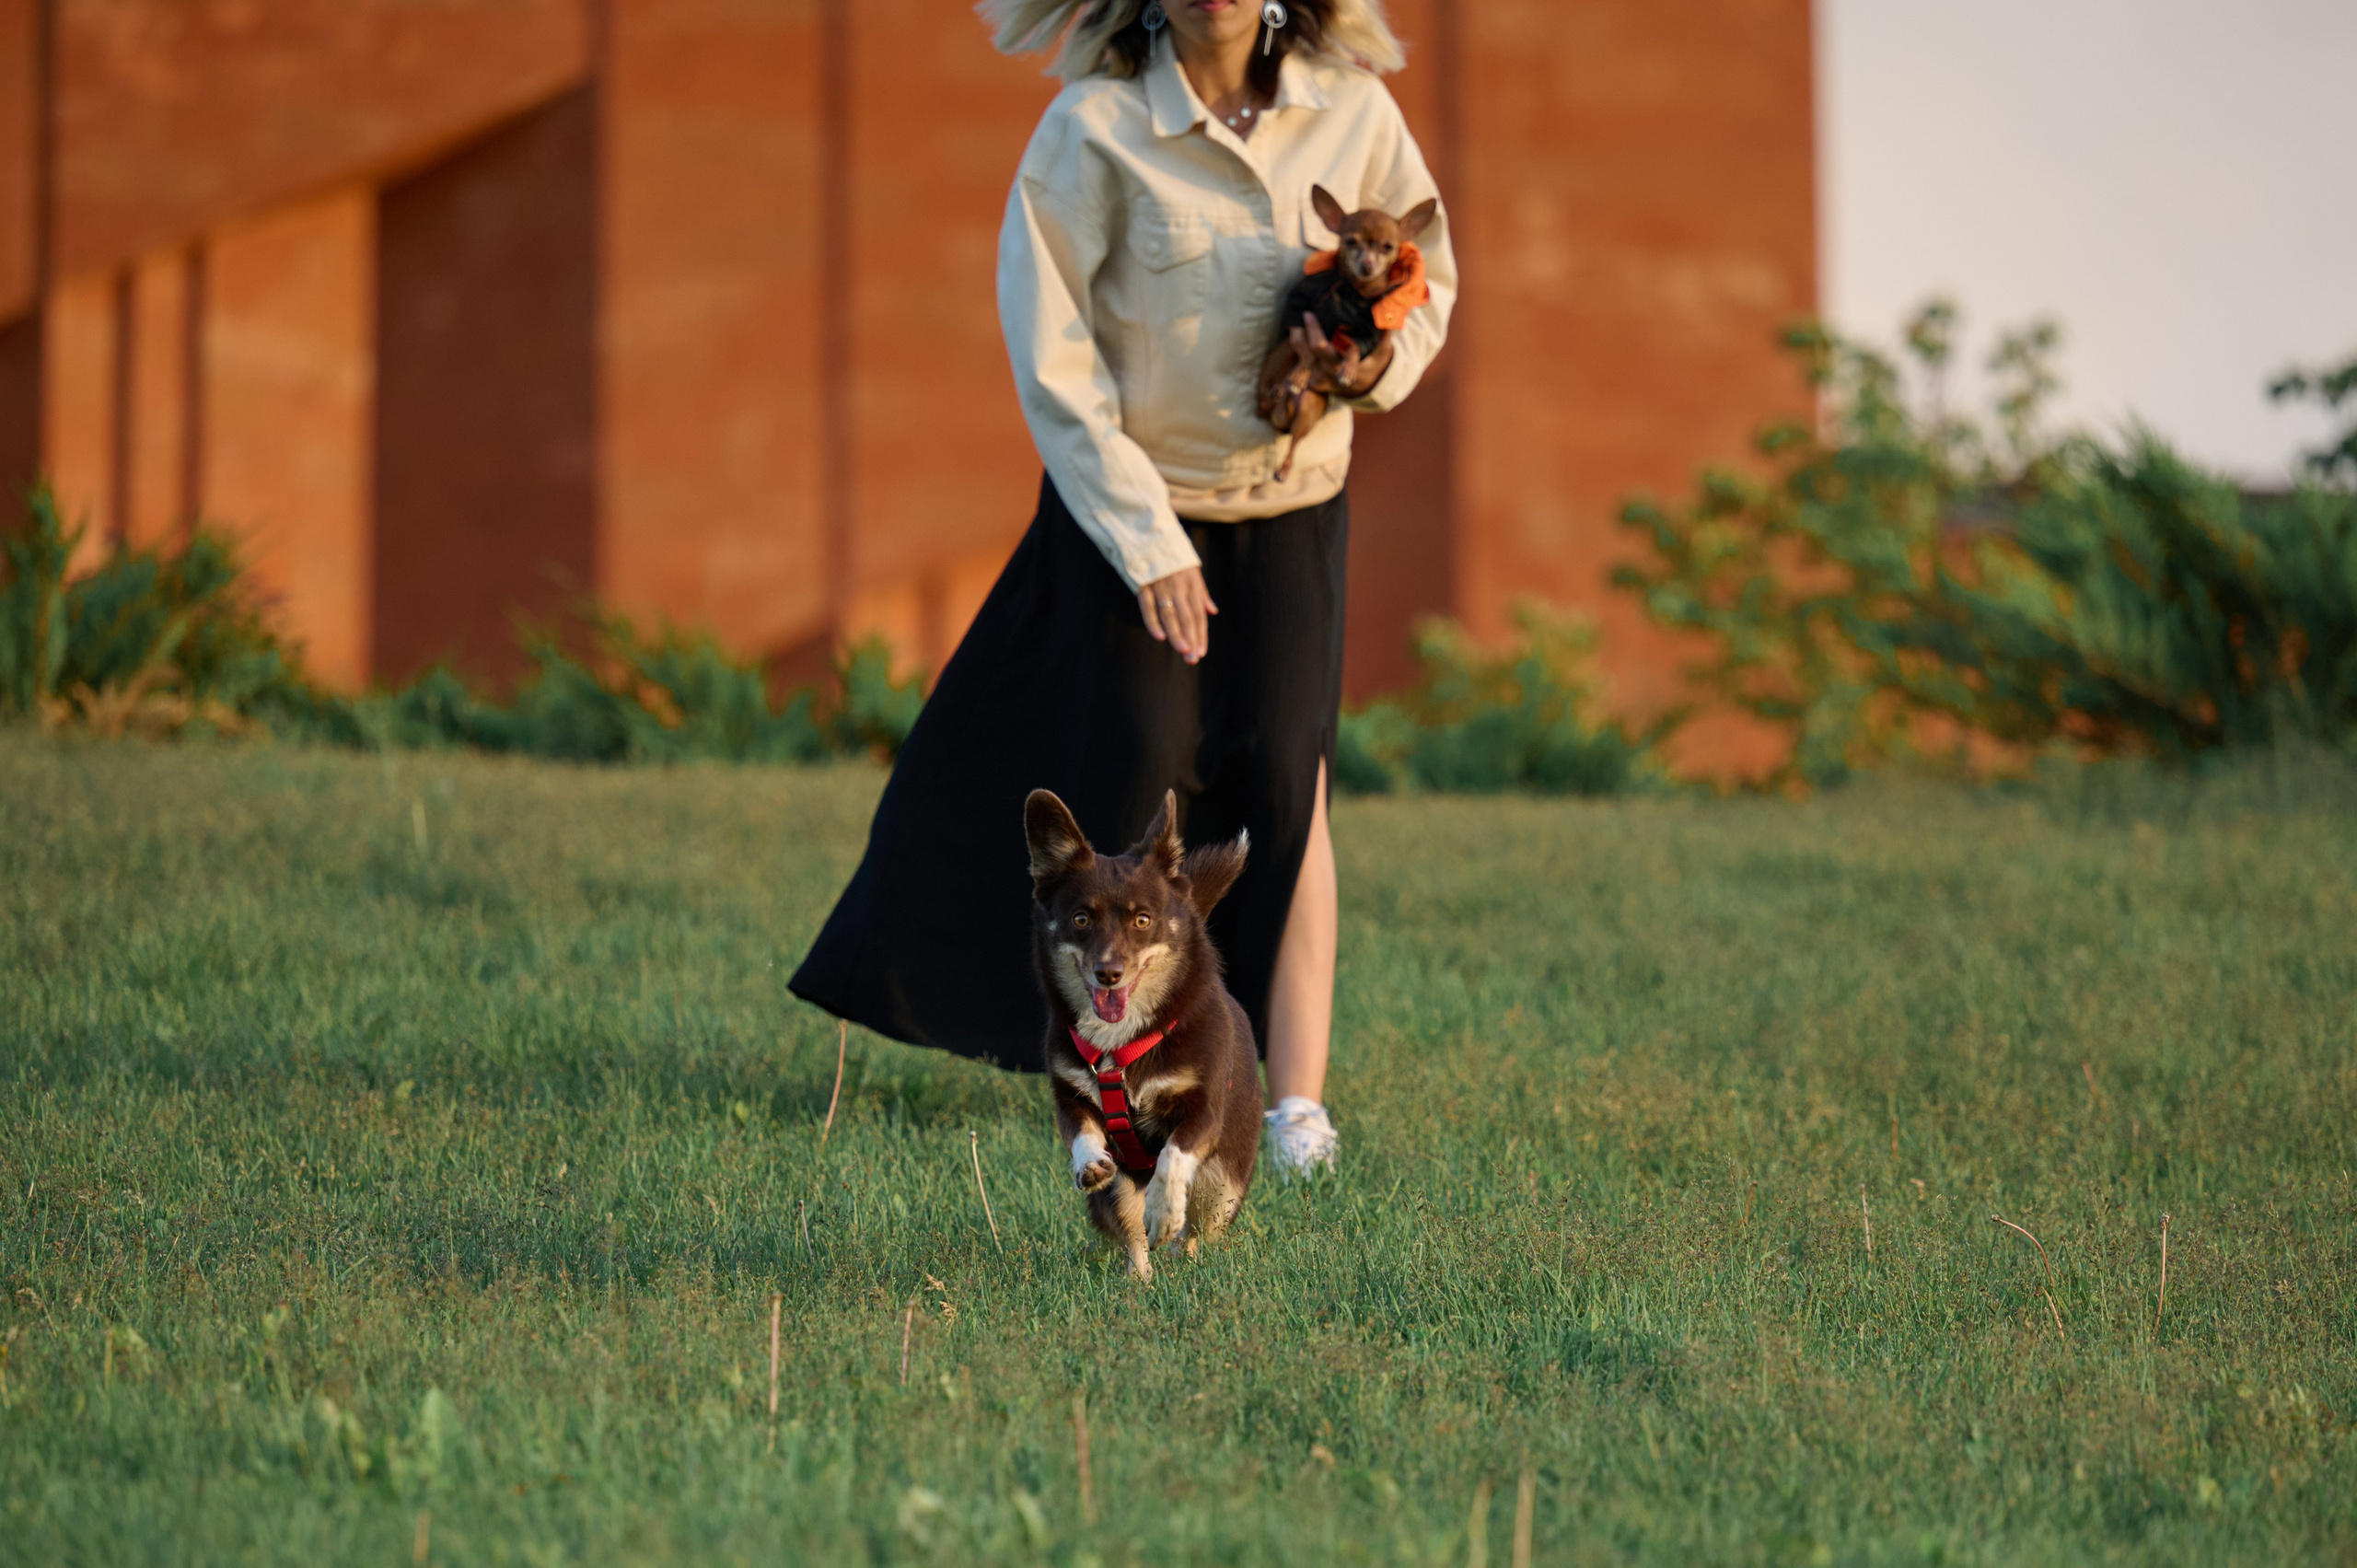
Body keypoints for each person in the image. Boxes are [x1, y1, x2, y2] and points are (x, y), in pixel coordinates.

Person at [790, 0, 1455, 1179]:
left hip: (1295, 513)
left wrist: (1374, 363)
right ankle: (1128, 1081)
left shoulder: (1353, 109)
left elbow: (1427, 275)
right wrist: (1145, 538)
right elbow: (1050, 354)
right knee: (1143, 788)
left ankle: (1295, 1109)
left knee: (1287, 798)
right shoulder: (1089, 128)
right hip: (1135, 517)